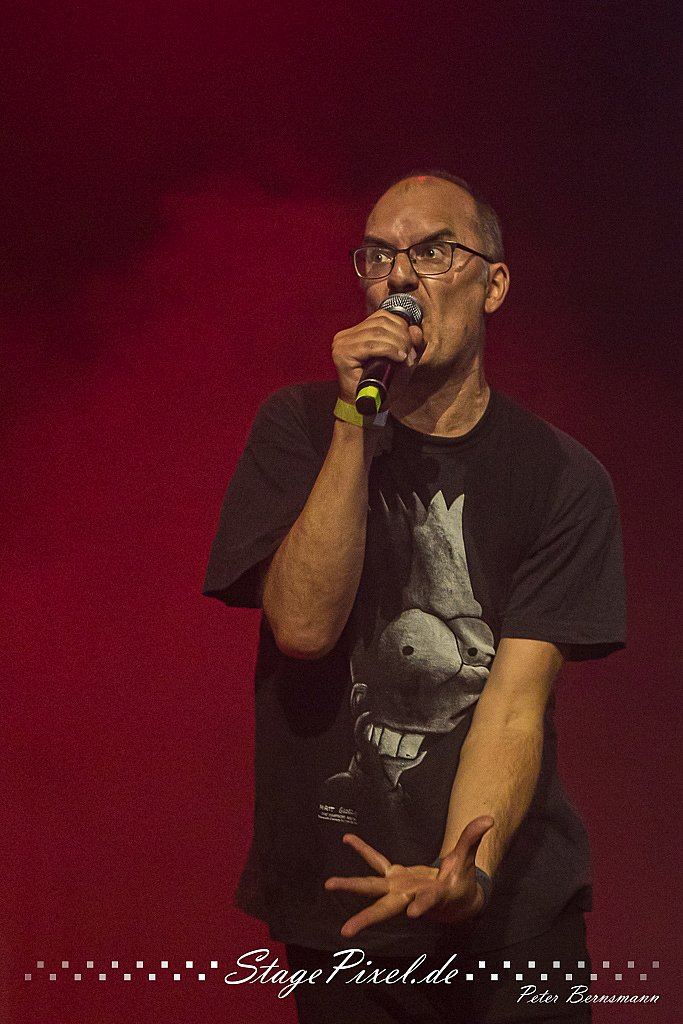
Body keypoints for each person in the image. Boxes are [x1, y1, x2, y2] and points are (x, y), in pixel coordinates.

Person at [203, 171, 626, 1023]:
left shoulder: (560, 477)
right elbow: (304, 627)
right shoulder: (298, 428)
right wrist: (355, 424)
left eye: (433, 252)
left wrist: (467, 873)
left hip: (509, 916)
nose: (399, 276)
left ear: (492, 284)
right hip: (344, 911)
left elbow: (512, 703)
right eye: (378, 257)